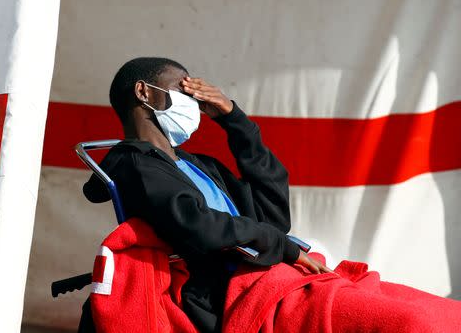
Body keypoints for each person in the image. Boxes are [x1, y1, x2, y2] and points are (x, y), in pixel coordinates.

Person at [79, 57, 331, 333]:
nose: (193, 104)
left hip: (258, 281)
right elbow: (202, 227)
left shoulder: (198, 165)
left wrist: (233, 119)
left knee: (365, 295)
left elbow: (274, 218)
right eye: (184, 91)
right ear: (144, 92)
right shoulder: (136, 166)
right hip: (218, 297)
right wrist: (282, 245)